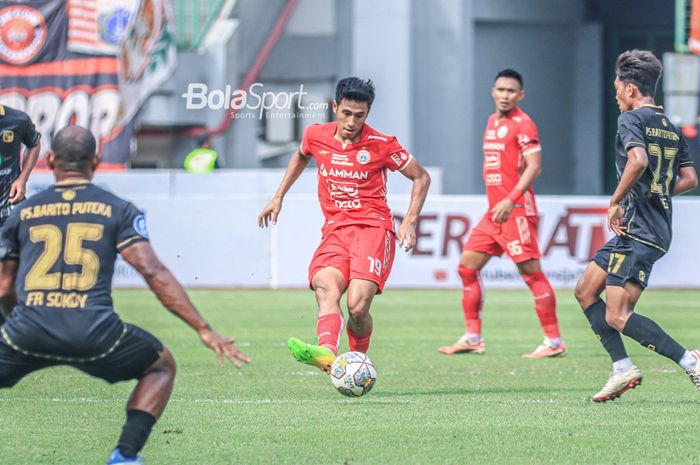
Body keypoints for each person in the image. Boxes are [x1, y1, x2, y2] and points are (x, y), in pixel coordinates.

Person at [0, 126, 250, 464]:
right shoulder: (117, 209)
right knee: (161, 366)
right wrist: (203, 328)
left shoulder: (22, 212)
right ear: (97, 160)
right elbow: (153, 272)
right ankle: (125, 455)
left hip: (27, 331)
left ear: (49, 160)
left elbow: (4, 288)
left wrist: (17, 321)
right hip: (94, 332)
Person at [258, 77, 430, 372]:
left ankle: (358, 359)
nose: (352, 122)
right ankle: (326, 352)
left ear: (368, 114)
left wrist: (410, 222)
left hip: (373, 230)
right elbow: (301, 156)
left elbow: (421, 177)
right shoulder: (315, 135)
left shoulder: (382, 144)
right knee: (325, 287)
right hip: (335, 230)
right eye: (346, 113)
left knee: (357, 307)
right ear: (335, 107)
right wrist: (278, 196)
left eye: (359, 115)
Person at [574, 50, 699, 402]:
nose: (616, 96)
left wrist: (616, 201)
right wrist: (654, 191)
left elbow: (639, 159)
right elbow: (689, 178)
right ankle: (622, 367)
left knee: (617, 314)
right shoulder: (671, 127)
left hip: (639, 230)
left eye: (617, 90)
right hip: (652, 228)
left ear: (629, 89)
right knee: (585, 291)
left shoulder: (631, 119)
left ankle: (690, 361)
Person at [438, 69, 566, 359]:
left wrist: (511, 199)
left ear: (520, 96)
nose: (505, 95)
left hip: (517, 211)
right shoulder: (491, 122)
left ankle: (554, 341)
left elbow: (535, 167)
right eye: (501, 90)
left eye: (511, 91)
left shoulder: (524, 124)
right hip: (494, 213)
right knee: (467, 267)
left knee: (532, 274)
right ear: (492, 92)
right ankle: (472, 337)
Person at [0, 103, 42, 325]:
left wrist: (22, 179)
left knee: (10, 282)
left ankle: (20, 328)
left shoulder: (17, 120)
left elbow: (34, 144)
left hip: (8, 211)